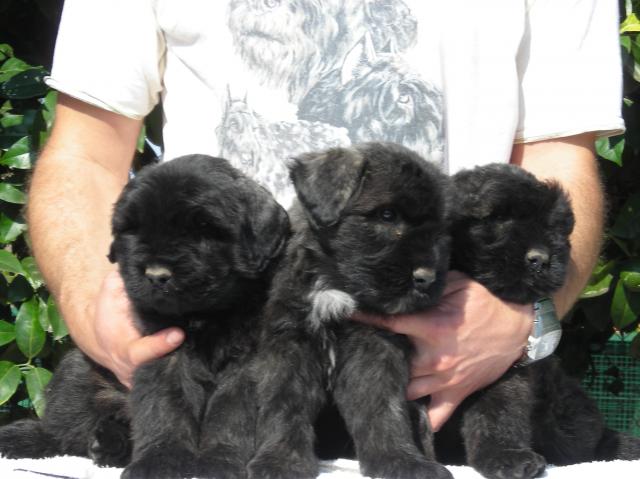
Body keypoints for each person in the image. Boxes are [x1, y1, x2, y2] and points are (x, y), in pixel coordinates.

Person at [28, 0, 622, 434]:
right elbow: (85, 153)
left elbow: (558, 167)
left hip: (446, 393)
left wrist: (528, 319)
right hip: (207, 383)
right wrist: (89, 306)